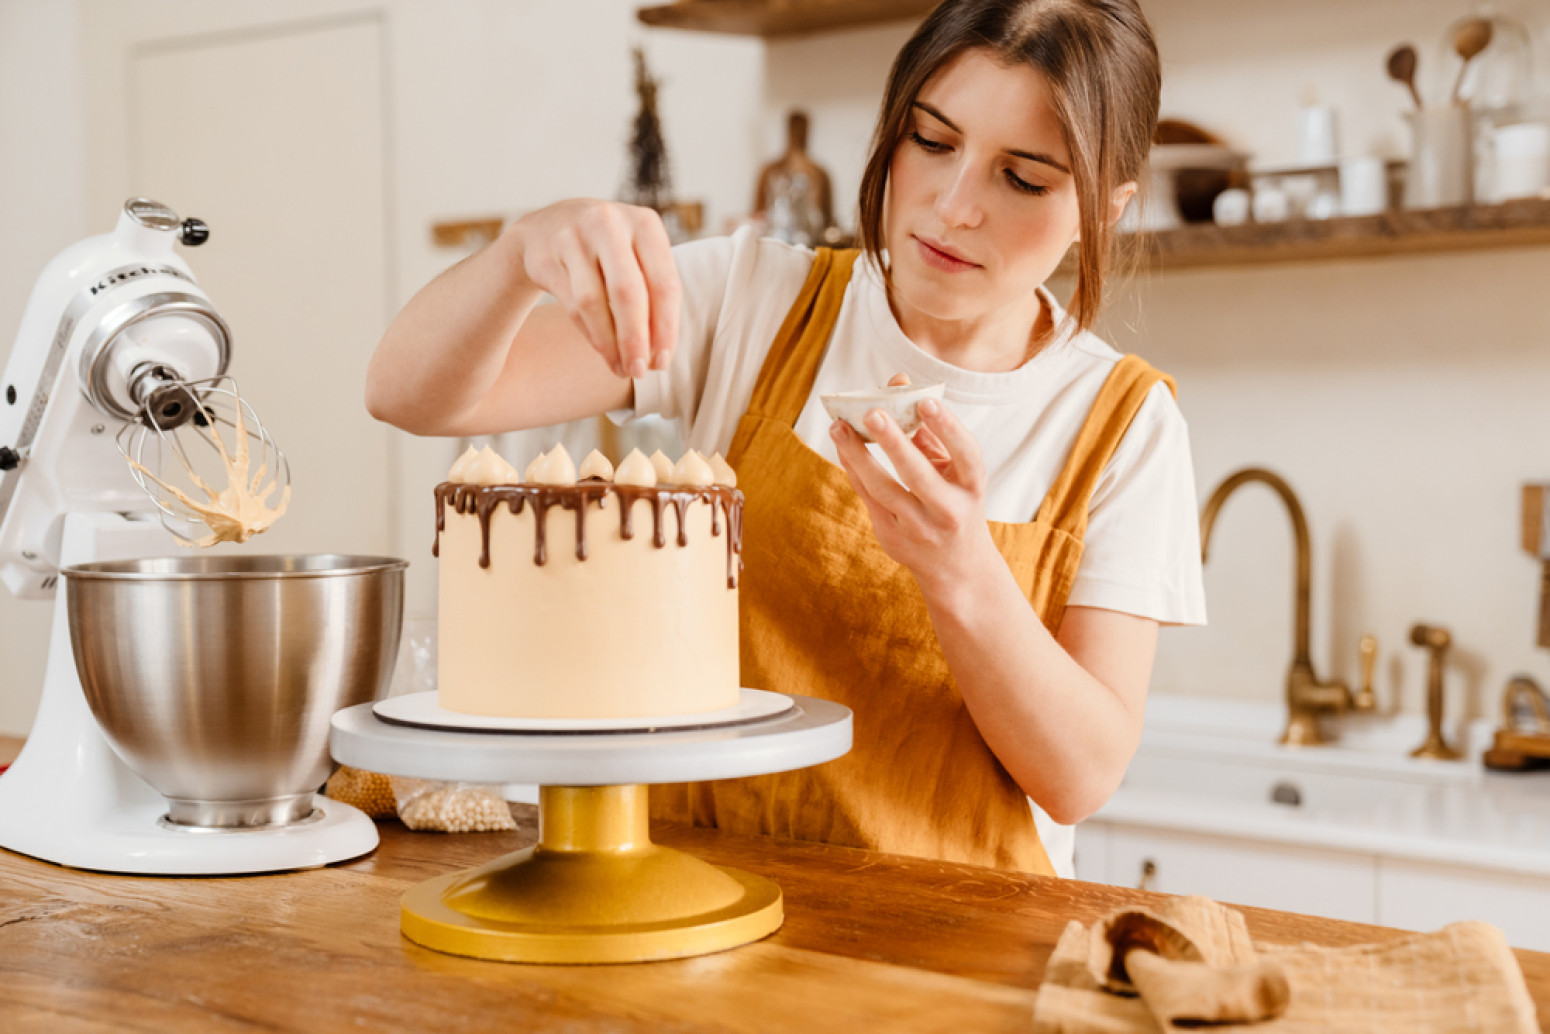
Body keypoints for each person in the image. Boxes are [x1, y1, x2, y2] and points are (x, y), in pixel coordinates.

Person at [365, 0, 1206, 878]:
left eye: (1023, 180)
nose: (956, 206)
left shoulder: (1122, 424)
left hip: (958, 943)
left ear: (1106, 210)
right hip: (688, 913)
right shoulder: (754, 301)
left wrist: (960, 569)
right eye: (931, 140)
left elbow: (1079, 778)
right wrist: (518, 257)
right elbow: (404, 393)